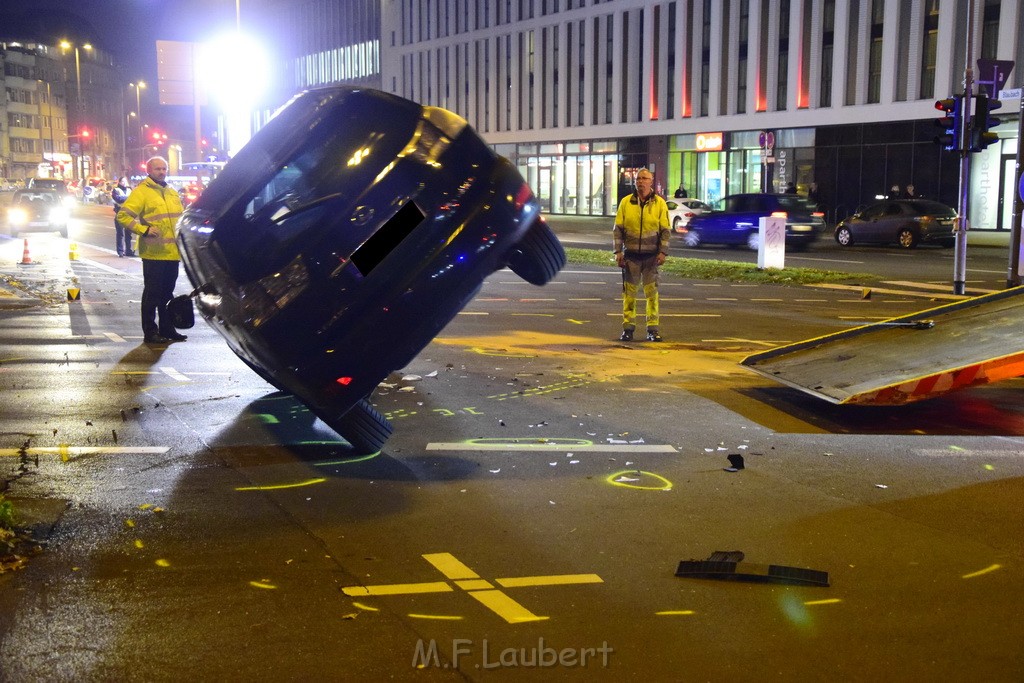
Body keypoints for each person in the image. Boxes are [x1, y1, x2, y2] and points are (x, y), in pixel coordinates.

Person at [116, 157, 187, 345]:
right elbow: (123, 216)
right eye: (157, 169)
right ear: (149, 170)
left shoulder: (171, 192)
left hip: (172, 253)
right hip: (154, 253)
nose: (162, 172)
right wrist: (143, 230)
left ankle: (167, 328)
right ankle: (150, 331)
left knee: (167, 294)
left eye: (164, 168)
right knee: (152, 295)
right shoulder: (142, 192)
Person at [613, 168, 671, 342]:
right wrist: (618, 252)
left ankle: (652, 330)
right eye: (638, 179)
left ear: (651, 182)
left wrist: (662, 252)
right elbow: (618, 230)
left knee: (651, 295)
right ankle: (628, 329)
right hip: (631, 256)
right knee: (629, 295)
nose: (640, 182)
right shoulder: (626, 203)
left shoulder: (659, 204)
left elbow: (665, 231)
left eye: (644, 179)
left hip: (651, 257)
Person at [111, 177, 135, 257]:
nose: (124, 183)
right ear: (119, 182)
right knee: (120, 234)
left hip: (129, 214)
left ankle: (128, 251)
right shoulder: (116, 190)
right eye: (122, 181)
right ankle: (120, 252)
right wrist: (128, 198)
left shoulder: (129, 190)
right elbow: (118, 199)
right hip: (120, 213)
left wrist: (125, 198)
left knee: (128, 234)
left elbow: (134, 199)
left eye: (125, 181)